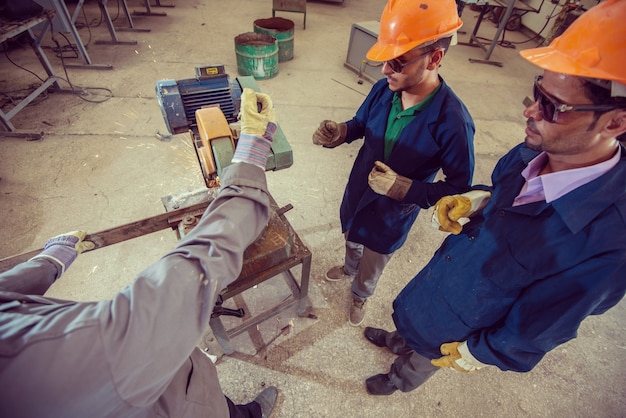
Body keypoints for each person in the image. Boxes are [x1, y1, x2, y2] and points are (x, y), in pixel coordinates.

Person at [362, 0, 626, 396]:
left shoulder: (607, 244)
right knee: (414, 322)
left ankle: (400, 378)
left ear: (616, 122)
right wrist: (480, 200)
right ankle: (401, 339)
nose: (531, 112)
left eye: (553, 107)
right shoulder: (531, 152)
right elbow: (504, 196)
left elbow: (543, 325)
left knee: (427, 354)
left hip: (466, 319)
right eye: (538, 92)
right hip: (441, 284)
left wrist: (481, 352)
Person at [0, 88, 281, 418]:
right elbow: (187, 280)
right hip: (173, 408)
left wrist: (47, 264)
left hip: (165, 391)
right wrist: (248, 162)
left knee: (220, 405)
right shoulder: (42, 370)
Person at [311, 0, 475, 326]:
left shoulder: (453, 122)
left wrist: (405, 189)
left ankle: (360, 294)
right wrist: (341, 132)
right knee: (351, 236)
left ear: (435, 58)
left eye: (397, 61)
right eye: (385, 60)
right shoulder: (384, 90)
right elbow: (360, 124)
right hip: (359, 190)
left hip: (391, 215)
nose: (385, 70)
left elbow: (459, 189)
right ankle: (348, 267)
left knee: (374, 258)